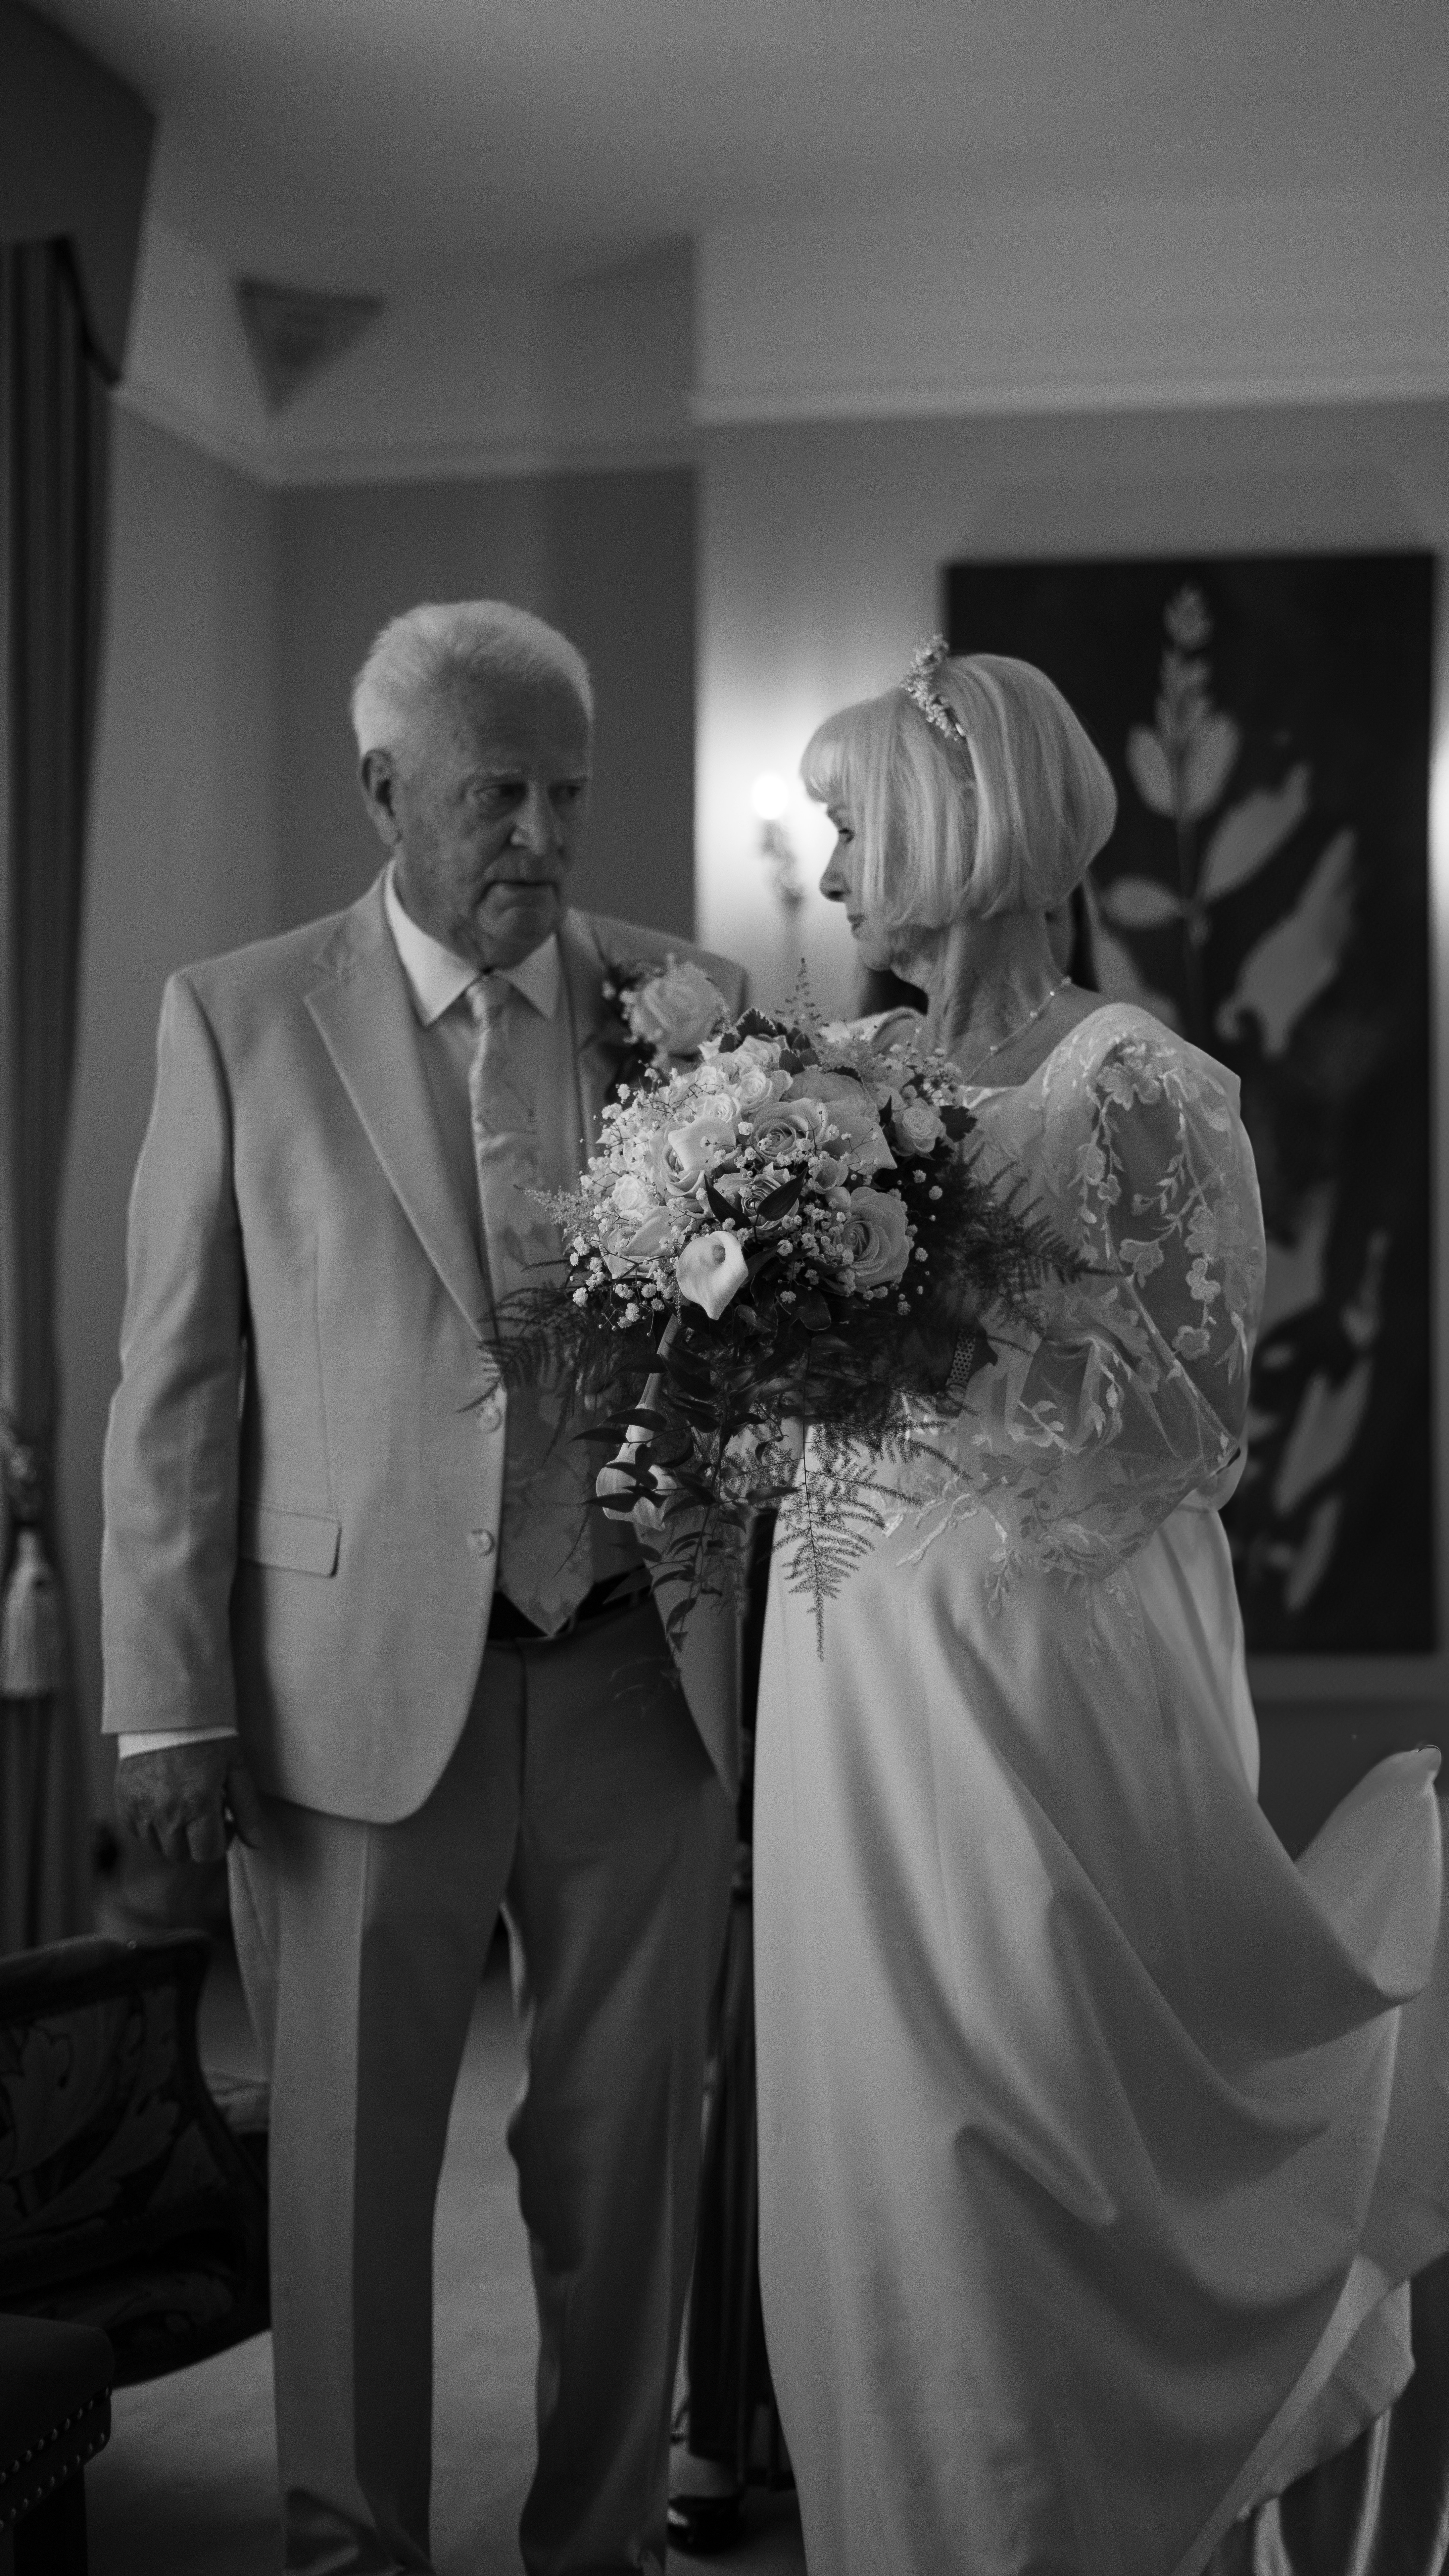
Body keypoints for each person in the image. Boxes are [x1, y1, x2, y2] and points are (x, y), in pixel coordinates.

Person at [750, 645, 1449, 2575]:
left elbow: (1199, 1418)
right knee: (874, 2146)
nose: (825, 874)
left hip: (1035, 1669)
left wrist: (931, 1341)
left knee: (1032, 2126)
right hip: (849, 1672)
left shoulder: (1131, 1082)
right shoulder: (839, 1081)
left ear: (959, 834)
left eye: (850, 826)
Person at [102, 600, 746, 2576]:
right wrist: (170, 1702)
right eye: (496, 797)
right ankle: (350, 2550)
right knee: (356, 2177)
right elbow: (176, 1384)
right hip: (346, 1690)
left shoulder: (696, 1013)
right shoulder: (236, 1015)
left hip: (641, 1679)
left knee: (631, 2151)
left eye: (568, 794)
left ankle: (604, 2543)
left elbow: (769, 1362)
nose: (542, 839)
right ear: (385, 789)